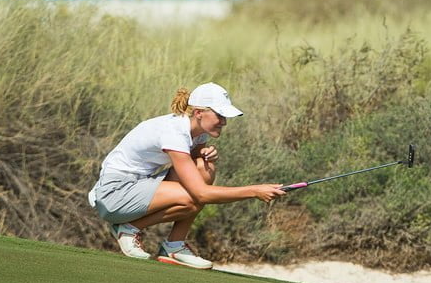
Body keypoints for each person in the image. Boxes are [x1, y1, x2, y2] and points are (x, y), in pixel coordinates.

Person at [87, 82, 286, 270]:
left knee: (205, 167)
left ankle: (174, 245)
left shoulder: (197, 131)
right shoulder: (173, 132)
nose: (224, 122)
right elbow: (201, 194)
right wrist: (254, 190)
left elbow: (194, 164)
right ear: (199, 113)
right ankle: (129, 229)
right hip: (114, 195)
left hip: (137, 187)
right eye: (220, 115)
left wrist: (204, 153)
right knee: (193, 197)